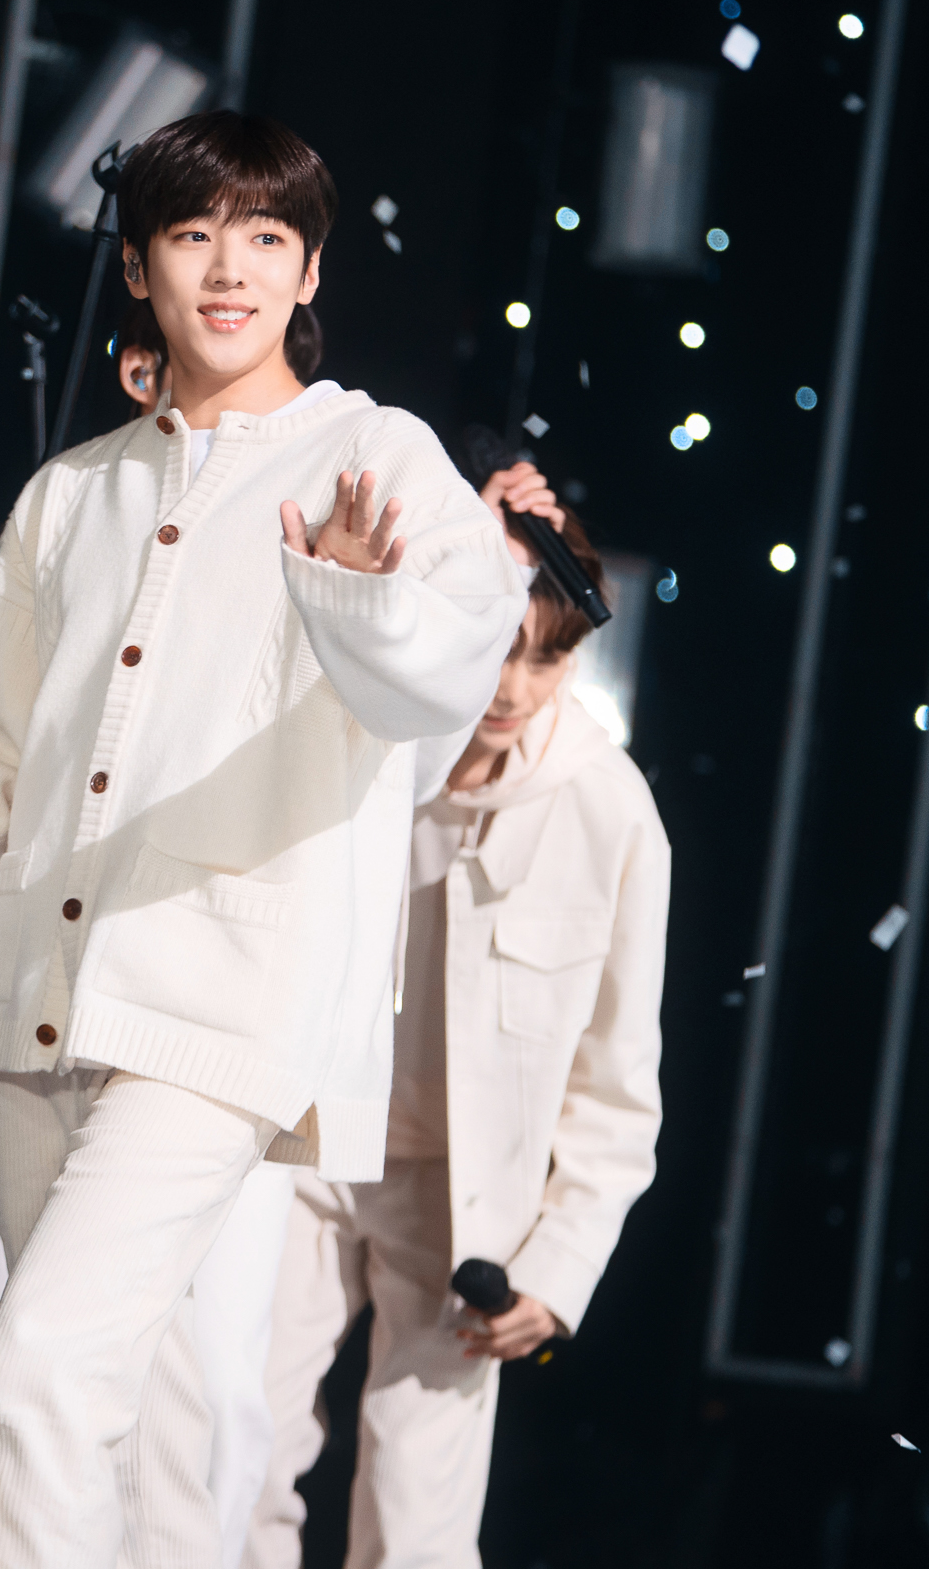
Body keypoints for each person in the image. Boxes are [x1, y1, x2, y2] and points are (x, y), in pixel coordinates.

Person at [0, 111, 529, 1569]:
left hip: (218, 1015)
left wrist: (351, 594)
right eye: (194, 236)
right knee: (88, 1428)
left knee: (27, 1397)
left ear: (310, 270)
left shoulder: (373, 452)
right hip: (40, 1011)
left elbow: (447, 676)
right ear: (138, 268)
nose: (229, 270)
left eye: (266, 238)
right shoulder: (71, 494)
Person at [0, 304, 320, 1569]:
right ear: (134, 365)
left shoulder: (296, 552)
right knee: (1, 1380)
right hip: (27, 1038)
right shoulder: (42, 537)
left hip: (210, 1044)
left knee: (210, 1408)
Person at [243, 494, 670, 1569]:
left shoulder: (610, 813)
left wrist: (560, 1269)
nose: (514, 688)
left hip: (462, 1198)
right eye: (501, 647)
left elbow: (619, 1083)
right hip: (306, 1142)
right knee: (232, 1446)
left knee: (418, 1516)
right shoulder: (378, 740)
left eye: (547, 658)